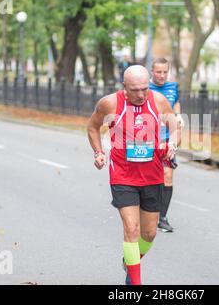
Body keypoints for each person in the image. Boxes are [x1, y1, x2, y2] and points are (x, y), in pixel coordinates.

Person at [87, 65, 178, 285]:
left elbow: (174, 127)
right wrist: (99, 152)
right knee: (132, 229)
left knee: (149, 234)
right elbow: (92, 127)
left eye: (144, 89)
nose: (140, 95)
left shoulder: (158, 101)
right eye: (135, 90)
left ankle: (131, 260)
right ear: (124, 87)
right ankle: (134, 284)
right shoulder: (110, 103)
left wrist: (172, 142)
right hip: (123, 176)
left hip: (153, 175)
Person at [149, 57, 183, 233]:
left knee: (167, 175)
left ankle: (162, 218)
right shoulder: (144, 88)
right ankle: (147, 212)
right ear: (151, 72)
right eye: (158, 72)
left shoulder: (172, 87)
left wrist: (178, 115)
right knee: (149, 177)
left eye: (165, 72)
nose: (162, 75)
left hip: (167, 139)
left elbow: (175, 102)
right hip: (146, 138)